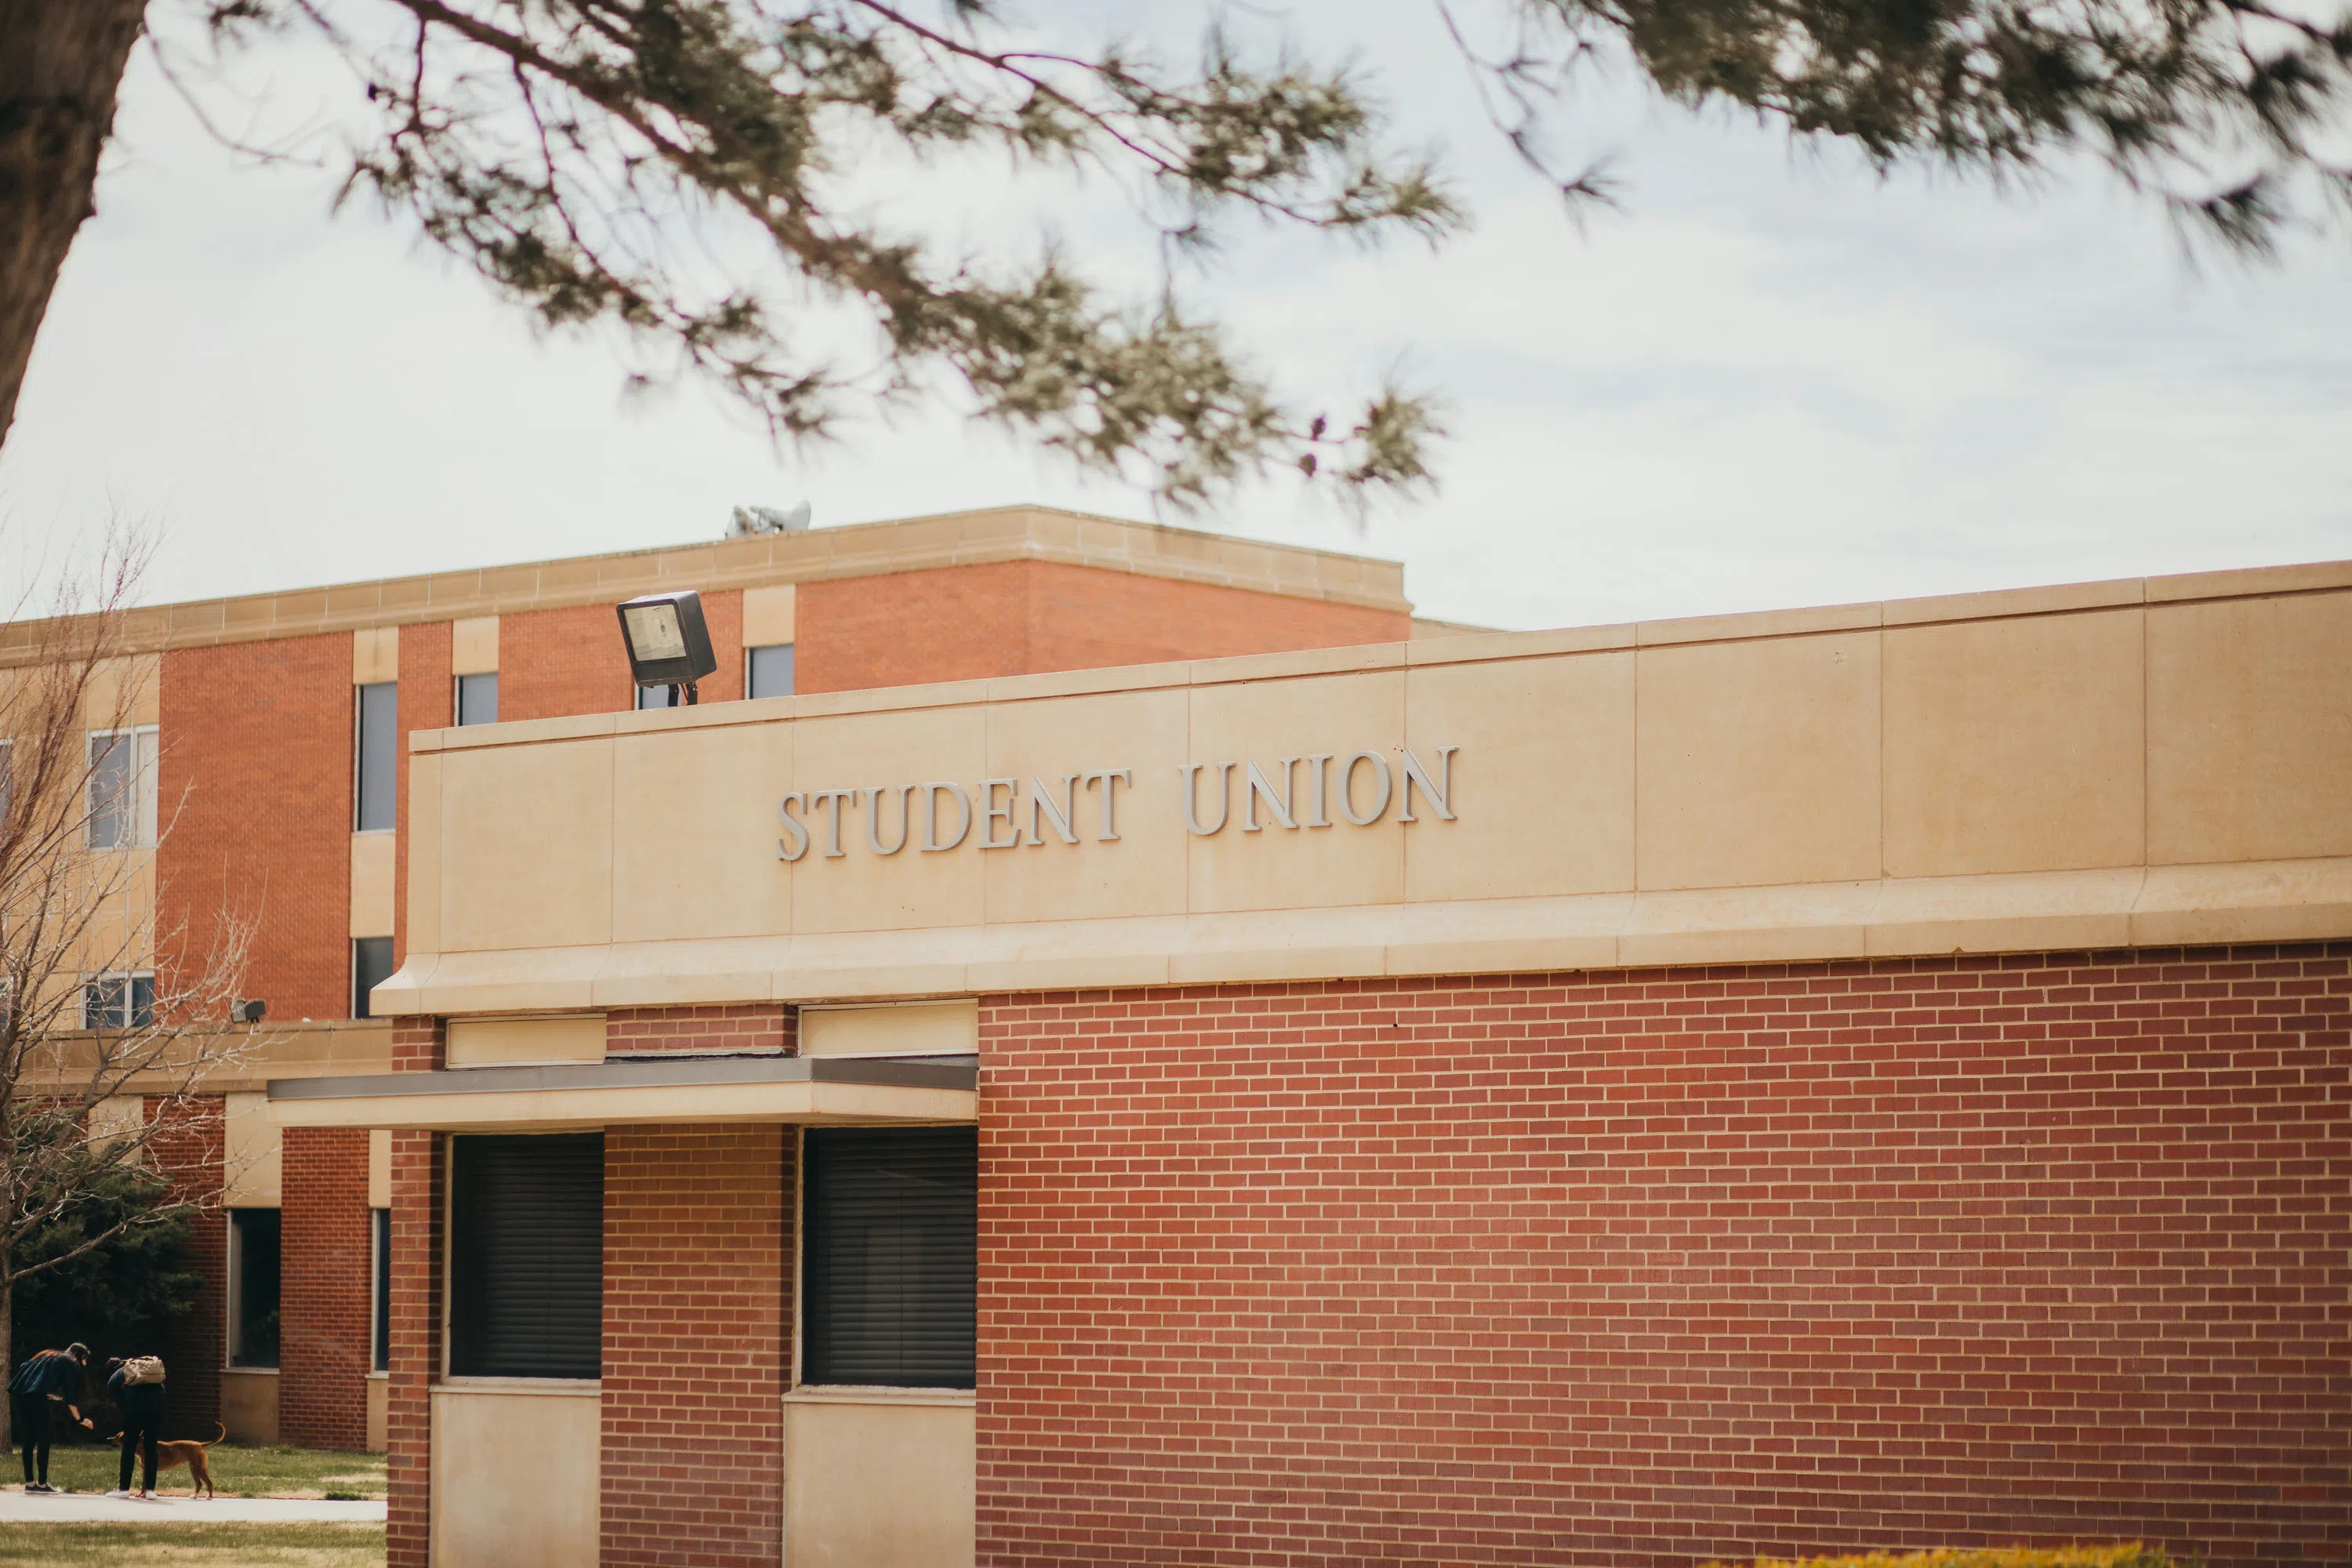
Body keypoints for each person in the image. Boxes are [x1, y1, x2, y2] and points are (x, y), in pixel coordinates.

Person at [8, 1342, 92, 1494]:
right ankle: (42, 1484)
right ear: (82, 1356)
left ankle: (29, 1483)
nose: (84, 1364)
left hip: (19, 1393)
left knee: (29, 1439)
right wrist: (80, 1419)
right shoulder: (71, 1361)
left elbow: (25, 1368)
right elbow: (70, 1395)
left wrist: (46, 1392)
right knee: (44, 1438)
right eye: (85, 1360)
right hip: (37, 1398)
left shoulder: (47, 1355)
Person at [104, 1356, 166, 1500]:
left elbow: (118, 1401)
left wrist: (129, 1415)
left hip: (135, 1408)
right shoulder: (147, 1369)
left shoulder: (116, 1376)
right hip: (158, 1407)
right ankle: (150, 1491)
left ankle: (124, 1489)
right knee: (151, 1447)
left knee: (129, 1446)